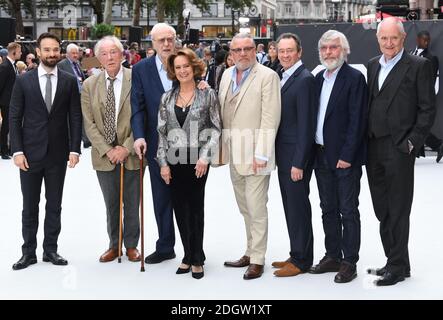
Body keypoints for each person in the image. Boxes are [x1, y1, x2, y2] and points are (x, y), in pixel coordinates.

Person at [366, 18, 435, 286]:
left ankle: (396, 266)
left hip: (399, 149)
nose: (389, 43)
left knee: (398, 209)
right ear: (378, 40)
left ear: (403, 38)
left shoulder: (419, 66)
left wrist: (411, 143)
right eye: (384, 38)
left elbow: (427, 109)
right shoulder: (373, 65)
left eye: (394, 38)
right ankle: (397, 261)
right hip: (373, 148)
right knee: (382, 209)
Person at [9, 32, 82, 270]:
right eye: (47, 50)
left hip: (58, 155)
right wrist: (17, 150)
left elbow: (74, 116)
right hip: (29, 154)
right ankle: (28, 252)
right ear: (38, 52)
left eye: (55, 49)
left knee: (54, 205)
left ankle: (51, 250)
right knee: (29, 206)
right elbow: (14, 116)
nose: (52, 54)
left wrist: (75, 149)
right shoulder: (23, 80)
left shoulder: (69, 80)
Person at [219, 33, 281, 280]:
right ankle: (249, 250)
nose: (242, 53)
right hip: (234, 153)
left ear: (255, 50)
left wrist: (262, 153)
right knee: (245, 208)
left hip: (257, 155)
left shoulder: (268, 76)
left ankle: (257, 259)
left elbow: (270, 118)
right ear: (231, 53)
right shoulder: (225, 75)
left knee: (256, 208)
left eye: (247, 49)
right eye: (237, 50)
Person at [308, 30, 368, 283]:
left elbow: (358, 120)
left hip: (344, 158)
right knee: (327, 209)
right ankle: (332, 255)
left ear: (344, 51)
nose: (328, 52)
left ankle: (349, 261)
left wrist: (348, 155)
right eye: (324, 48)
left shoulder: (354, 78)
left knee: (348, 210)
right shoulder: (318, 77)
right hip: (321, 156)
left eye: (333, 48)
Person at [156, 48, 221, 279]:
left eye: (186, 66)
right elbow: (161, 132)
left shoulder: (207, 94)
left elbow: (215, 128)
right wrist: (163, 163)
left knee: (195, 208)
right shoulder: (167, 97)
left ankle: (197, 258)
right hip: (173, 160)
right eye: (178, 67)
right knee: (179, 209)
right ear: (173, 71)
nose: (182, 71)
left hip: (197, 160)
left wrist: (205, 157)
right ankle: (187, 254)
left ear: (194, 67)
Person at [81, 36, 144, 263]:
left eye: (114, 52)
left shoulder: (135, 78)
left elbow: (143, 116)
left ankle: (131, 245)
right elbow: (89, 123)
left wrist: (125, 148)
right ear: (98, 58)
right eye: (105, 53)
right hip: (103, 155)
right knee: (111, 203)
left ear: (122, 55)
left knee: (132, 201)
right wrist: (108, 150)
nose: (109, 57)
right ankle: (114, 245)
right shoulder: (89, 85)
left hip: (131, 152)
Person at [130, 23, 179, 264]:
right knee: (161, 197)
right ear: (153, 43)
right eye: (161, 40)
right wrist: (138, 135)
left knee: (188, 198)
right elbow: (137, 107)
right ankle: (165, 245)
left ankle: (192, 247)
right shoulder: (140, 69)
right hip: (155, 142)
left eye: (170, 39)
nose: (167, 44)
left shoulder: (186, 63)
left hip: (186, 144)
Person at [270, 33, 317, 278]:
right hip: (284, 154)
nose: (285, 55)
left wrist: (299, 162)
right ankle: (296, 252)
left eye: (290, 51)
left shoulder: (305, 79)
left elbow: (307, 126)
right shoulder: (283, 76)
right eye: (282, 50)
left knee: (298, 207)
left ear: (299, 52)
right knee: (291, 206)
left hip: (296, 158)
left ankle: (302, 261)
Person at [411, 30, 443, 162]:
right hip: (409, 96)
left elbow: (430, 81)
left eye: (428, 40)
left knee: (417, 125)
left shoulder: (431, 58)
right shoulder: (410, 54)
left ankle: (437, 145)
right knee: (413, 124)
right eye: (424, 40)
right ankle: (438, 145)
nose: (427, 42)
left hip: (421, 98)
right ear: (418, 40)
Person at [58, 43, 91, 149]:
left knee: (83, 117)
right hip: (69, 95)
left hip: (81, 94)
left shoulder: (77, 64)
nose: (75, 55)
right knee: (71, 119)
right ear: (67, 54)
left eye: (77, 53)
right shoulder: (62, 64)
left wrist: (87, 76)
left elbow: (79, 77)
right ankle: (70, 142)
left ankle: (85, 140)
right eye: (73, 53)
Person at [0, 42, 21, 159]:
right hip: (6, 102)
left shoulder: (12, 65)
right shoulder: (5, 66)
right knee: (6, 126)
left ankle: (7, 149)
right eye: (19, 51)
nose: (21, 53)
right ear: (13, 52)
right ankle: (3, 150)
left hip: (11, 101)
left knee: (9, 125)